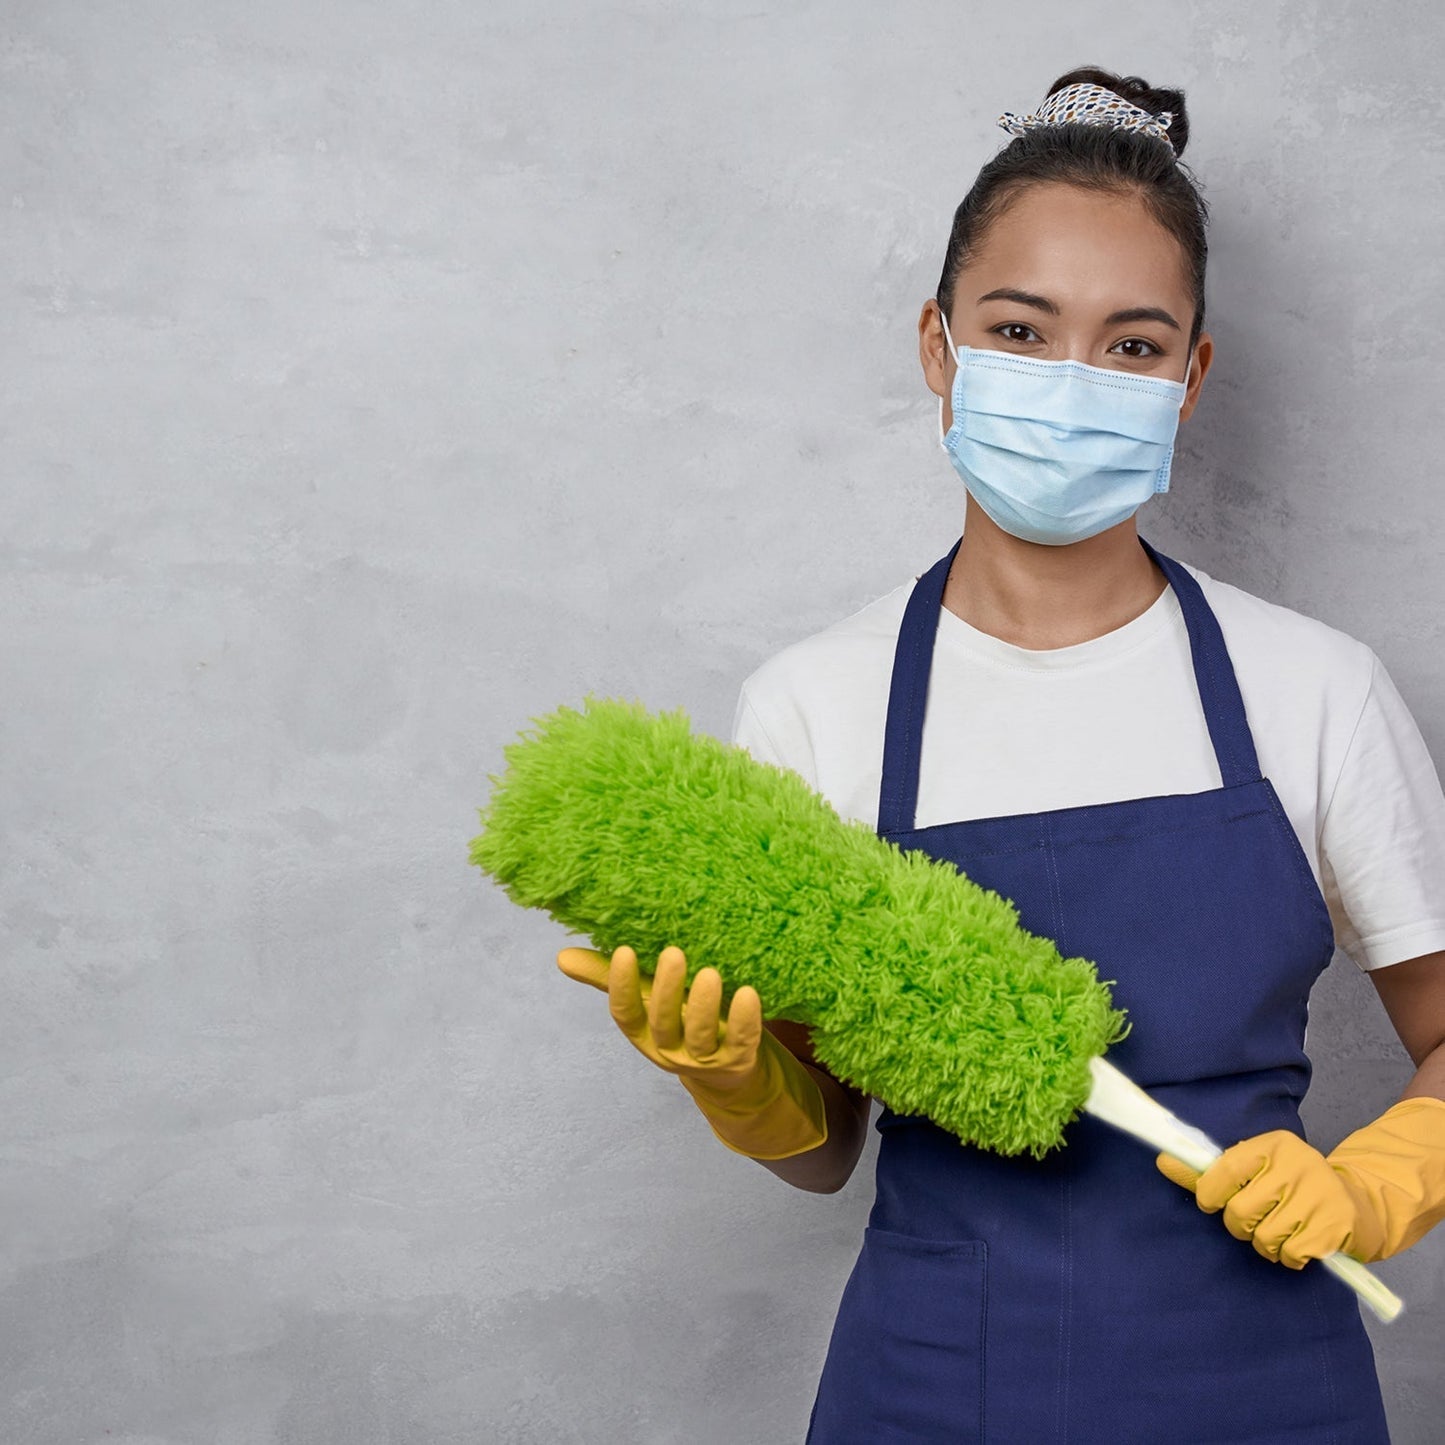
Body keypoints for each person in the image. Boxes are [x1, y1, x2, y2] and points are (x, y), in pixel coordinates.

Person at [557, 68, 1445, 1442]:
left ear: (1191, 376)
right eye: (1020, 330)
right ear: (939, 345)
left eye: (1132, 345)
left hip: (1267, 1380)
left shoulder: (1313, 687)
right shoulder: (814, 705)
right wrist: (737, 1081)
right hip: (936, 1385)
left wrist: (1381, 1177)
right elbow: (826, 1151)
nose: (1071, 384)